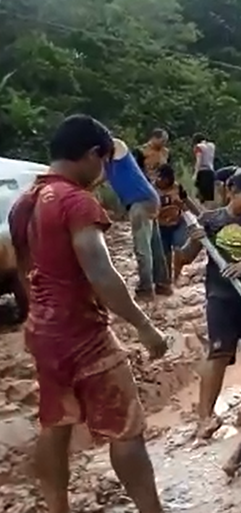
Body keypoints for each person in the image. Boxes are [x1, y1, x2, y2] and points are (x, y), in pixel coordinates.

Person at [8, 114, 168, 513]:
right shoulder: (76, 202)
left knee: (56, 423)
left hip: (43, 331)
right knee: (126, 429)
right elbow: (101, 273)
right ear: (92, 154)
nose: (103, 172)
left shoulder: (25, 202)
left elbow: (25, 272)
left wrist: (40, 315)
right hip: (84, 332)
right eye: (104, 161)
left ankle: (57, 508)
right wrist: (145, 327)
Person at [176, 173, 241, 439]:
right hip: (222, 297)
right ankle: (205, 418)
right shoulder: (211, 220)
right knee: (219, 353)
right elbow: (186, 257)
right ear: (232, 191)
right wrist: (195, 237)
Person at [106, 139, 170, 300]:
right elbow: (96, 179)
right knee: (155, 246)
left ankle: (145, 289)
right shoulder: (107, 165)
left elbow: (114, 143)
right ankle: (163, 285)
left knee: (142, 248)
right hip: (149, 198)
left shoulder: (118, 151)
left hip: (140, 202)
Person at [154, 164, 190, 285]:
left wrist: (200, 216)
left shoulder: (177, 187)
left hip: (178, 223)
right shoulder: (150, 188)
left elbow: (187, 202)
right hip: (160, 225)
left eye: (167, 180)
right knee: (165, 253)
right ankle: (167, 277)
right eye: (161, 179)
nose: (163, 182)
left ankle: (177, 276)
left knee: (179, 249)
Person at [193, 133, 217, 205]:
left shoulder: (198, 147)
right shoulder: (212, 146)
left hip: (202, 172)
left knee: (200, 196)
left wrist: (195, 174)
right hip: (211, 171)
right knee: (208, 198)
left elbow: (199, 160)